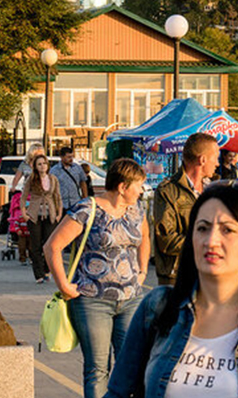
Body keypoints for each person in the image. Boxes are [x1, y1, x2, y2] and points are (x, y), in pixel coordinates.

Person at [103, 182, 238, 398]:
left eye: (228, 230)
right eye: (203, 228)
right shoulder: (159, 307)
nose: (211, 240)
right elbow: (117, 392)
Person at [44, 159, 150, 398]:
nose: (142, 190)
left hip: (131, 300)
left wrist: (142, 271)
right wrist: (64, 286)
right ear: (122, 187)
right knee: (98, 369)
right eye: (138, 185)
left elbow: (144, 238)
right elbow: (52, 246)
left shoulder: (137, 210)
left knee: (131, 366)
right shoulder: (87, 209)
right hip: (93, 301)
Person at [154, 133, 220, 285]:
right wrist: (205, 243)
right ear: (202, 160)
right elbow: (166, 240)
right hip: (178, 276)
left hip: (208, 273)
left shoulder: (214, 189)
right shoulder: (167, 191)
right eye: (215, 157)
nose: (217, 163)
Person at [20, 154, 62, 283]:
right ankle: (38, 274)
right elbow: (23, 196)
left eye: (44, 163)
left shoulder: (53, 179)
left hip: (50, 215)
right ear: (35, 167)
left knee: (49, 245)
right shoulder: (31, 179)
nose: (42, 166)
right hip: (34, 215)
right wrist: (24, 213)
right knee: (36, 246)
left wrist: (59, 214)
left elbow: (57, 197)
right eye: (39, 164)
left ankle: (46, 269)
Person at [50, 146, 88, 214]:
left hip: (75, 202)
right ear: (62, 157)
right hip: (61, 204)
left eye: (72, 157)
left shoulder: (77, 168)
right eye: (68, 157)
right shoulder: (54, 171)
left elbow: (83, 183)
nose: (71, 159)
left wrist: (84, 198)